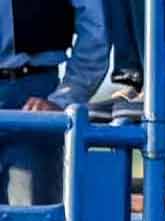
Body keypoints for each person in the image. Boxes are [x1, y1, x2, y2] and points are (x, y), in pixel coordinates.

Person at [0, 0, 106, 205]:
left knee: (30, 217)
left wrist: (63, 99)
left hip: (33, 103)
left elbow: (95, 30)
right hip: (33, 99)